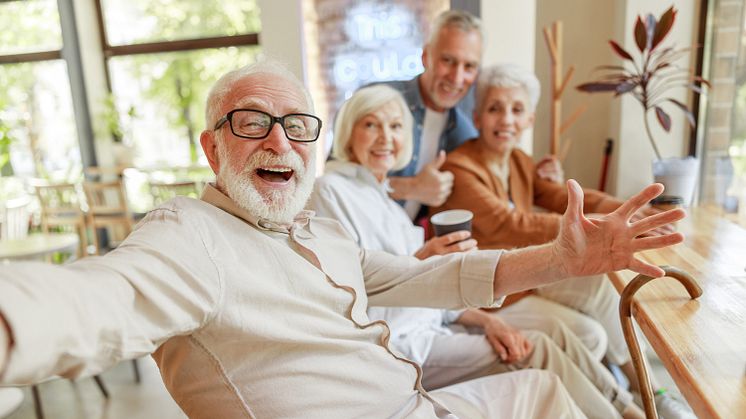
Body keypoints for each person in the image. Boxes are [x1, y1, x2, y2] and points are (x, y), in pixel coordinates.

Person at [0, 60, 684, 419]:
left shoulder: (316, 230)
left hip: (421, 400)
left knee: (542, 390)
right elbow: (94, 299)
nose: (279, 140)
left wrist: (563, 258)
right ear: (212, 149)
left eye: (297, 125)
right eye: (251, 122)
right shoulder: (190, 237)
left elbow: (431, 278)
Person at [308, 84, 644, 419]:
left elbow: (431, 295)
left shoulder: (387, 201)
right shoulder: (331, 191)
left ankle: (634, 404)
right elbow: (354, 293)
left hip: (439, 322)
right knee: (536, 348)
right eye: (371, 124)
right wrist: (420, 263)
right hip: (402, 343)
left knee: (555, 330)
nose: (385, 137)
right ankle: (630, 414)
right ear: (348, 132)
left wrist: (486, 321)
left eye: (395, 126)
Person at [432, 63, 696, 419]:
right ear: (477, 117)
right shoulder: (461, 169)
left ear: (529, 119)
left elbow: (563, 197)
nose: (506, 119)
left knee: (603, 287)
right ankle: (631, 400)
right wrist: (600, 227)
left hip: (527, 279)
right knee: (589, 333)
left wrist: (628, 213)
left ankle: (650, 389)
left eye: (517, 110)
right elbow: (513, 224)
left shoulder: (518, 162)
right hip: (495, 291)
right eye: (495, 109)